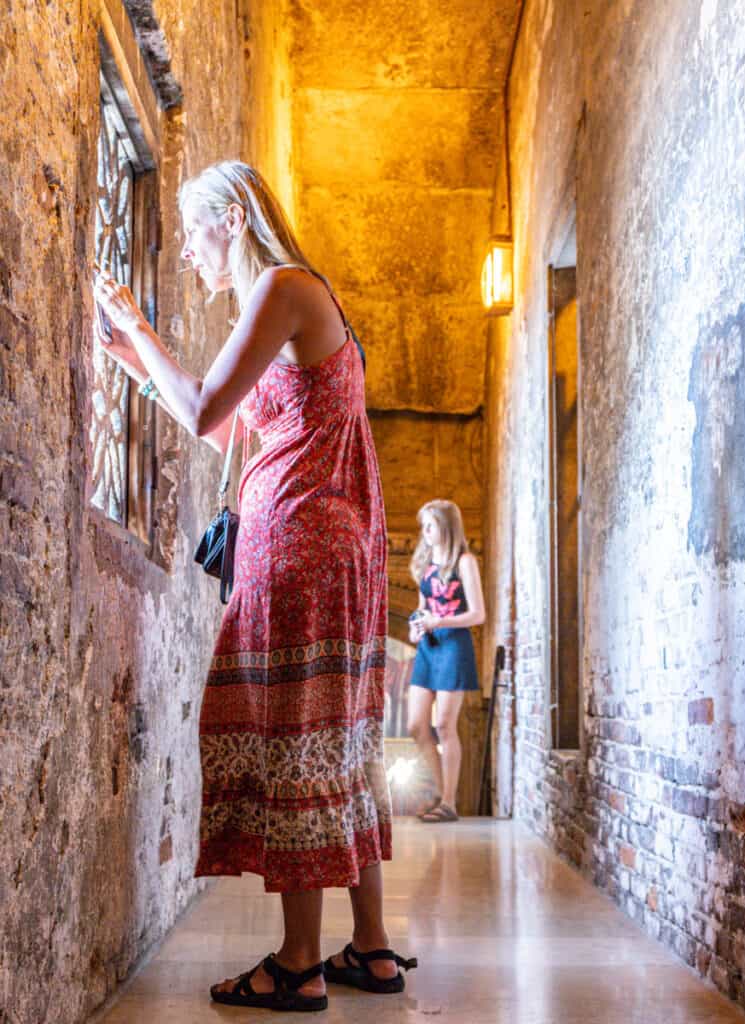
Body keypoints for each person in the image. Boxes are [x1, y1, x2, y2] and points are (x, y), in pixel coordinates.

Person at [92, 160, 416, 1012]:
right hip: (322, 547)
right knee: (334, 740)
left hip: (300, 550)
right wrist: (136, 360)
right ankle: (371, 948)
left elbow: (202, 409)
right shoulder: (290, 301)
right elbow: (225, 431)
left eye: (194, 234)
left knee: (292, 735)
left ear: (232, 217)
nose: (192, 257)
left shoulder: (281, 284)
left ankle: (298, 959)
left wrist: (136, 322)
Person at [407, 500, 485, 823]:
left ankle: (449, 803)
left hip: (454, 645)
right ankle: (443, 795)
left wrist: (439, 622)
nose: (424, 532)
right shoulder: (425, 564)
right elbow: (422, 607)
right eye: (423, 525)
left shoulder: (464, 562)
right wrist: (416, 627)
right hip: (428, 646)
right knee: (415, 725)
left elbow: (478, 614)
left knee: (444, 726)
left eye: (430, 525)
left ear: (446, 527)